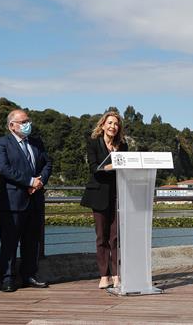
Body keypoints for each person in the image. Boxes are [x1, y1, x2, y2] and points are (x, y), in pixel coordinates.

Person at [0, 109, 52, 292]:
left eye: (28, 120)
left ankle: (29, 275)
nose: (28, 124)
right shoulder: (1, 143)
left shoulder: (36, 142)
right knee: (9, 242)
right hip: (12, 201)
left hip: (35, 199)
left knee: (32, 241)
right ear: (12, 125)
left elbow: (48, 163)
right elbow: (4, 168)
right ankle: (8, 278)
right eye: (23, 121)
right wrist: (28, 181)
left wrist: (40, 180)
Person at [81, 111, 128, 289]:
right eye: (109, 123)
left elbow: (126, 167)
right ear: (102, 125)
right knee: (101, 237)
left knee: (115, 238)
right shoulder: (93, 143)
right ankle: (104, 275)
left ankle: (116, 275)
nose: (112, 127)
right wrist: (112, 165)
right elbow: (94, 168)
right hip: (98, 195)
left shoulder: (123, 145)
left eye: (116, 124)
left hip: (118, 195)